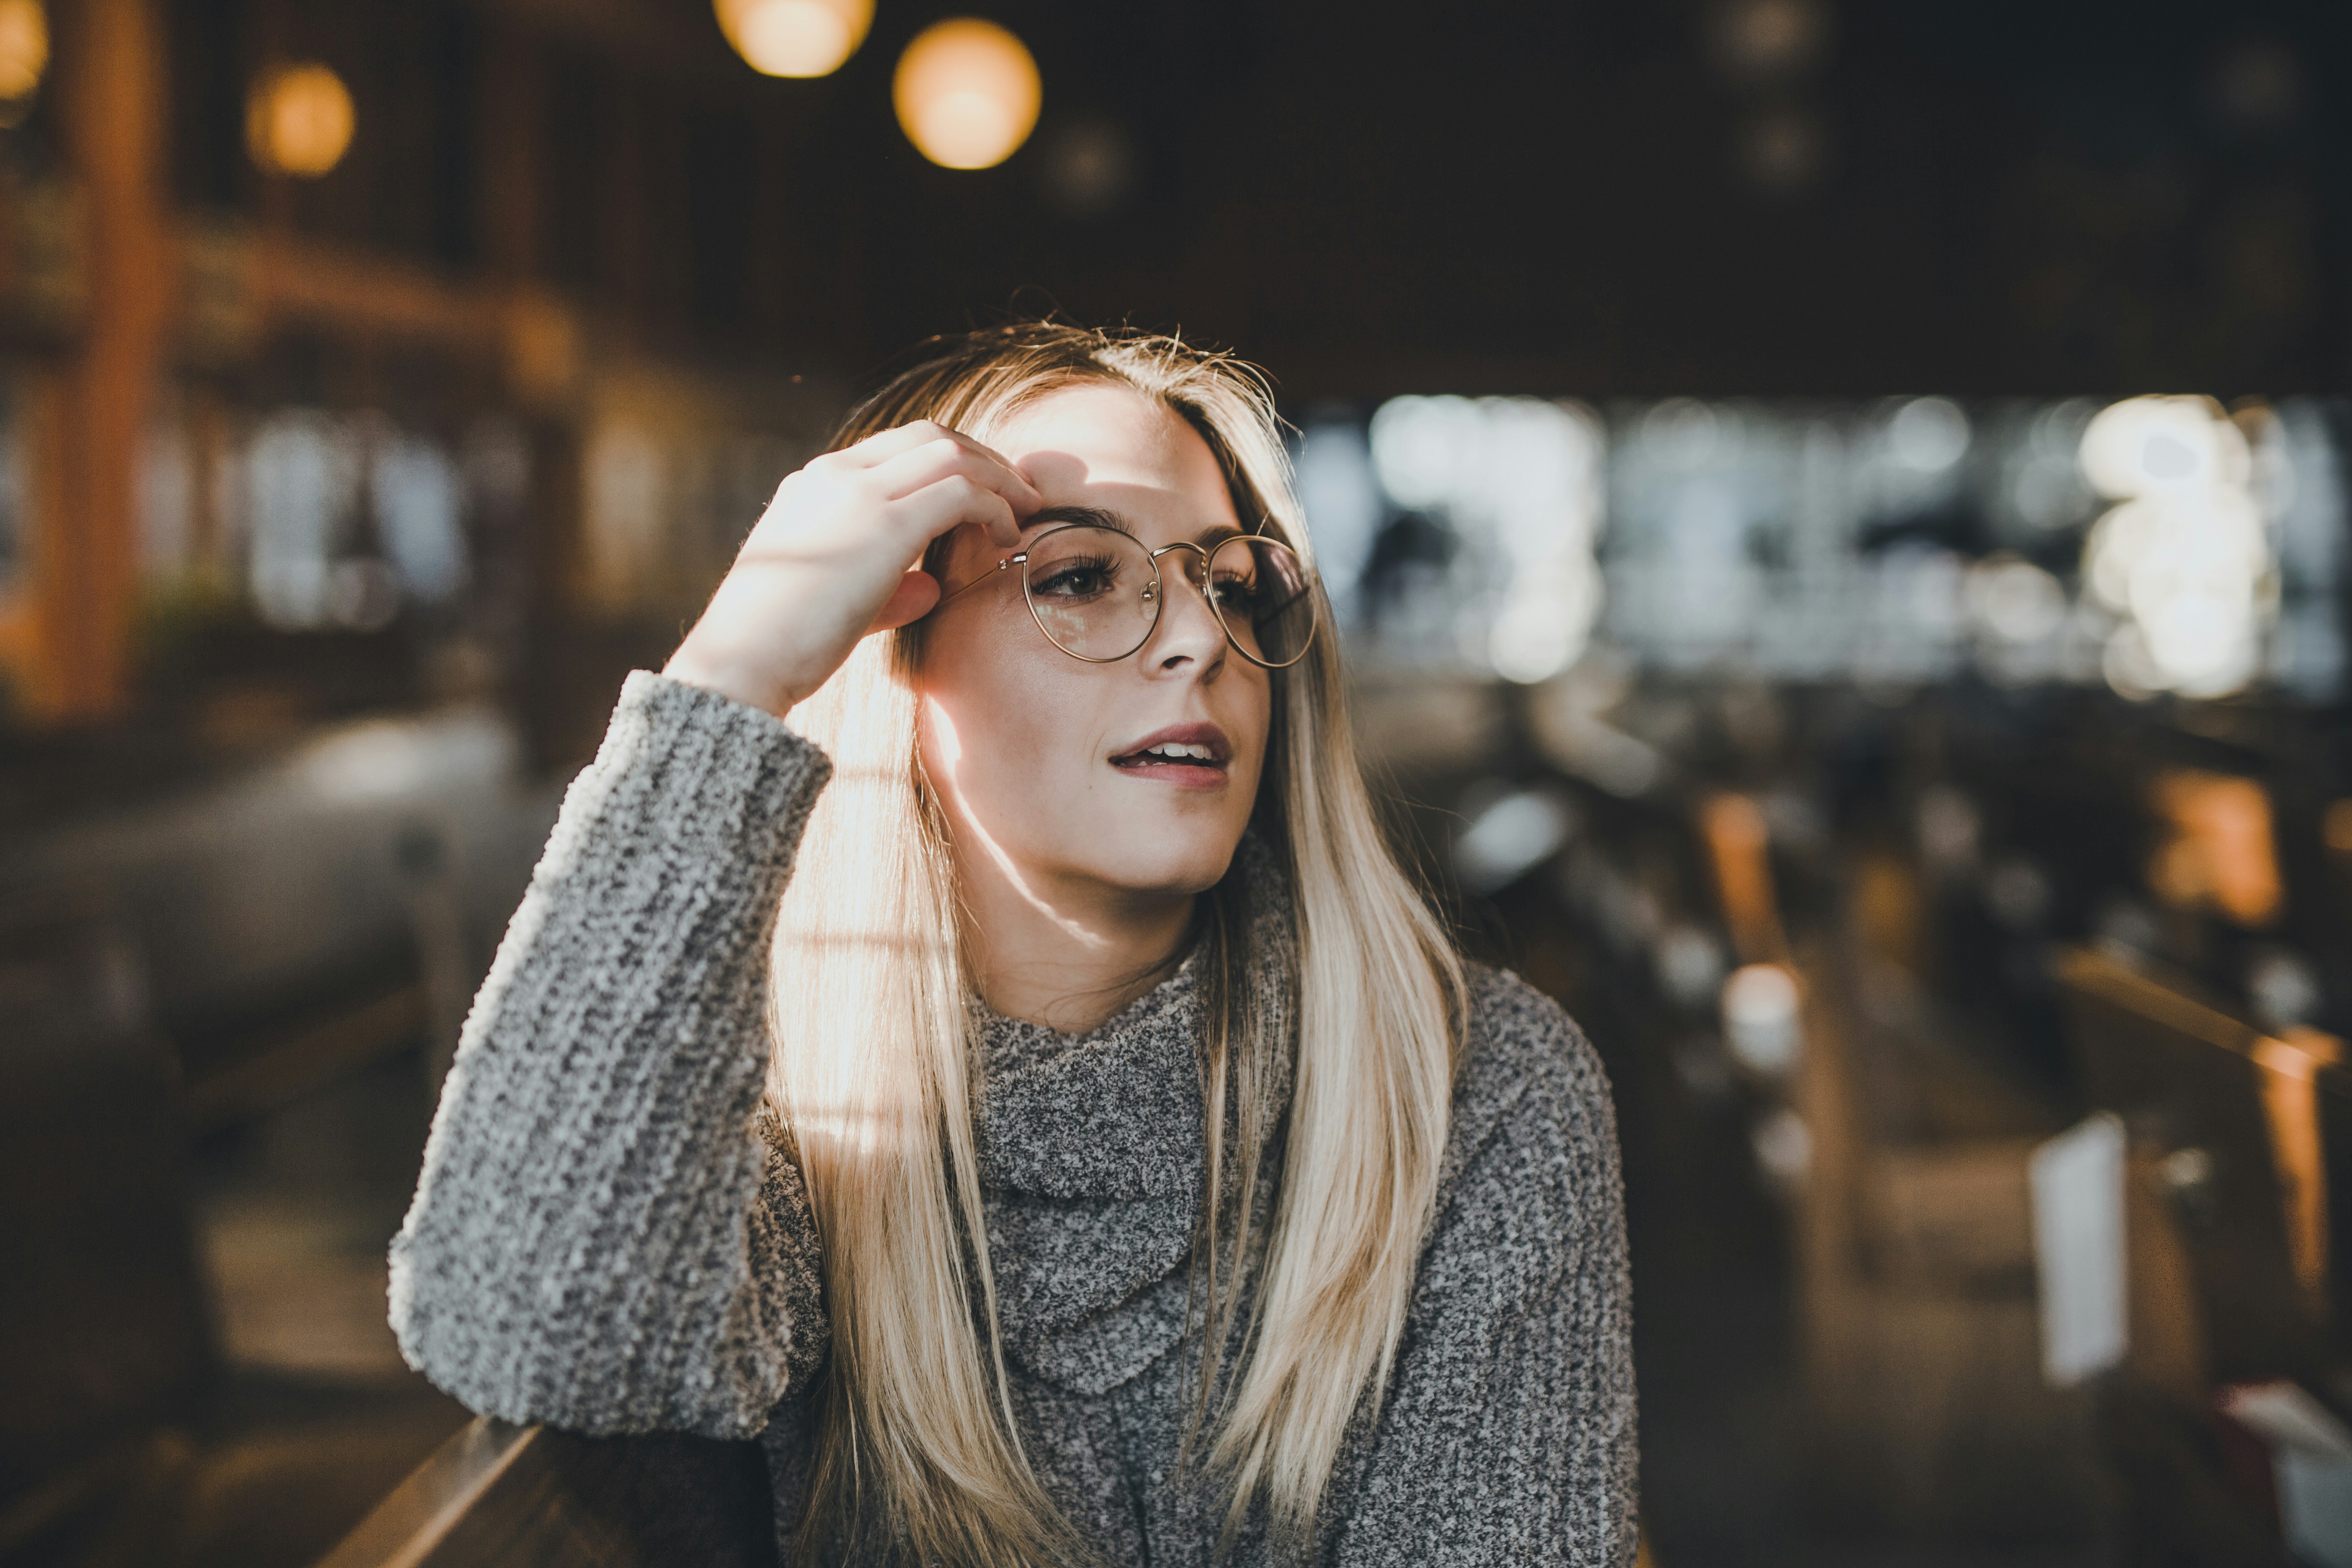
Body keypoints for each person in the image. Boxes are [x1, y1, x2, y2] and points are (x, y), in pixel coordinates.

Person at [389, 323, 1635, 1566]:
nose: (1200, 636)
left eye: (1230, 582)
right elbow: (518, 1317)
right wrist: (735, 672)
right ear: (896, 661)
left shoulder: (1474, 1095)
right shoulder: (773, 1127)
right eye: (1083, 576)